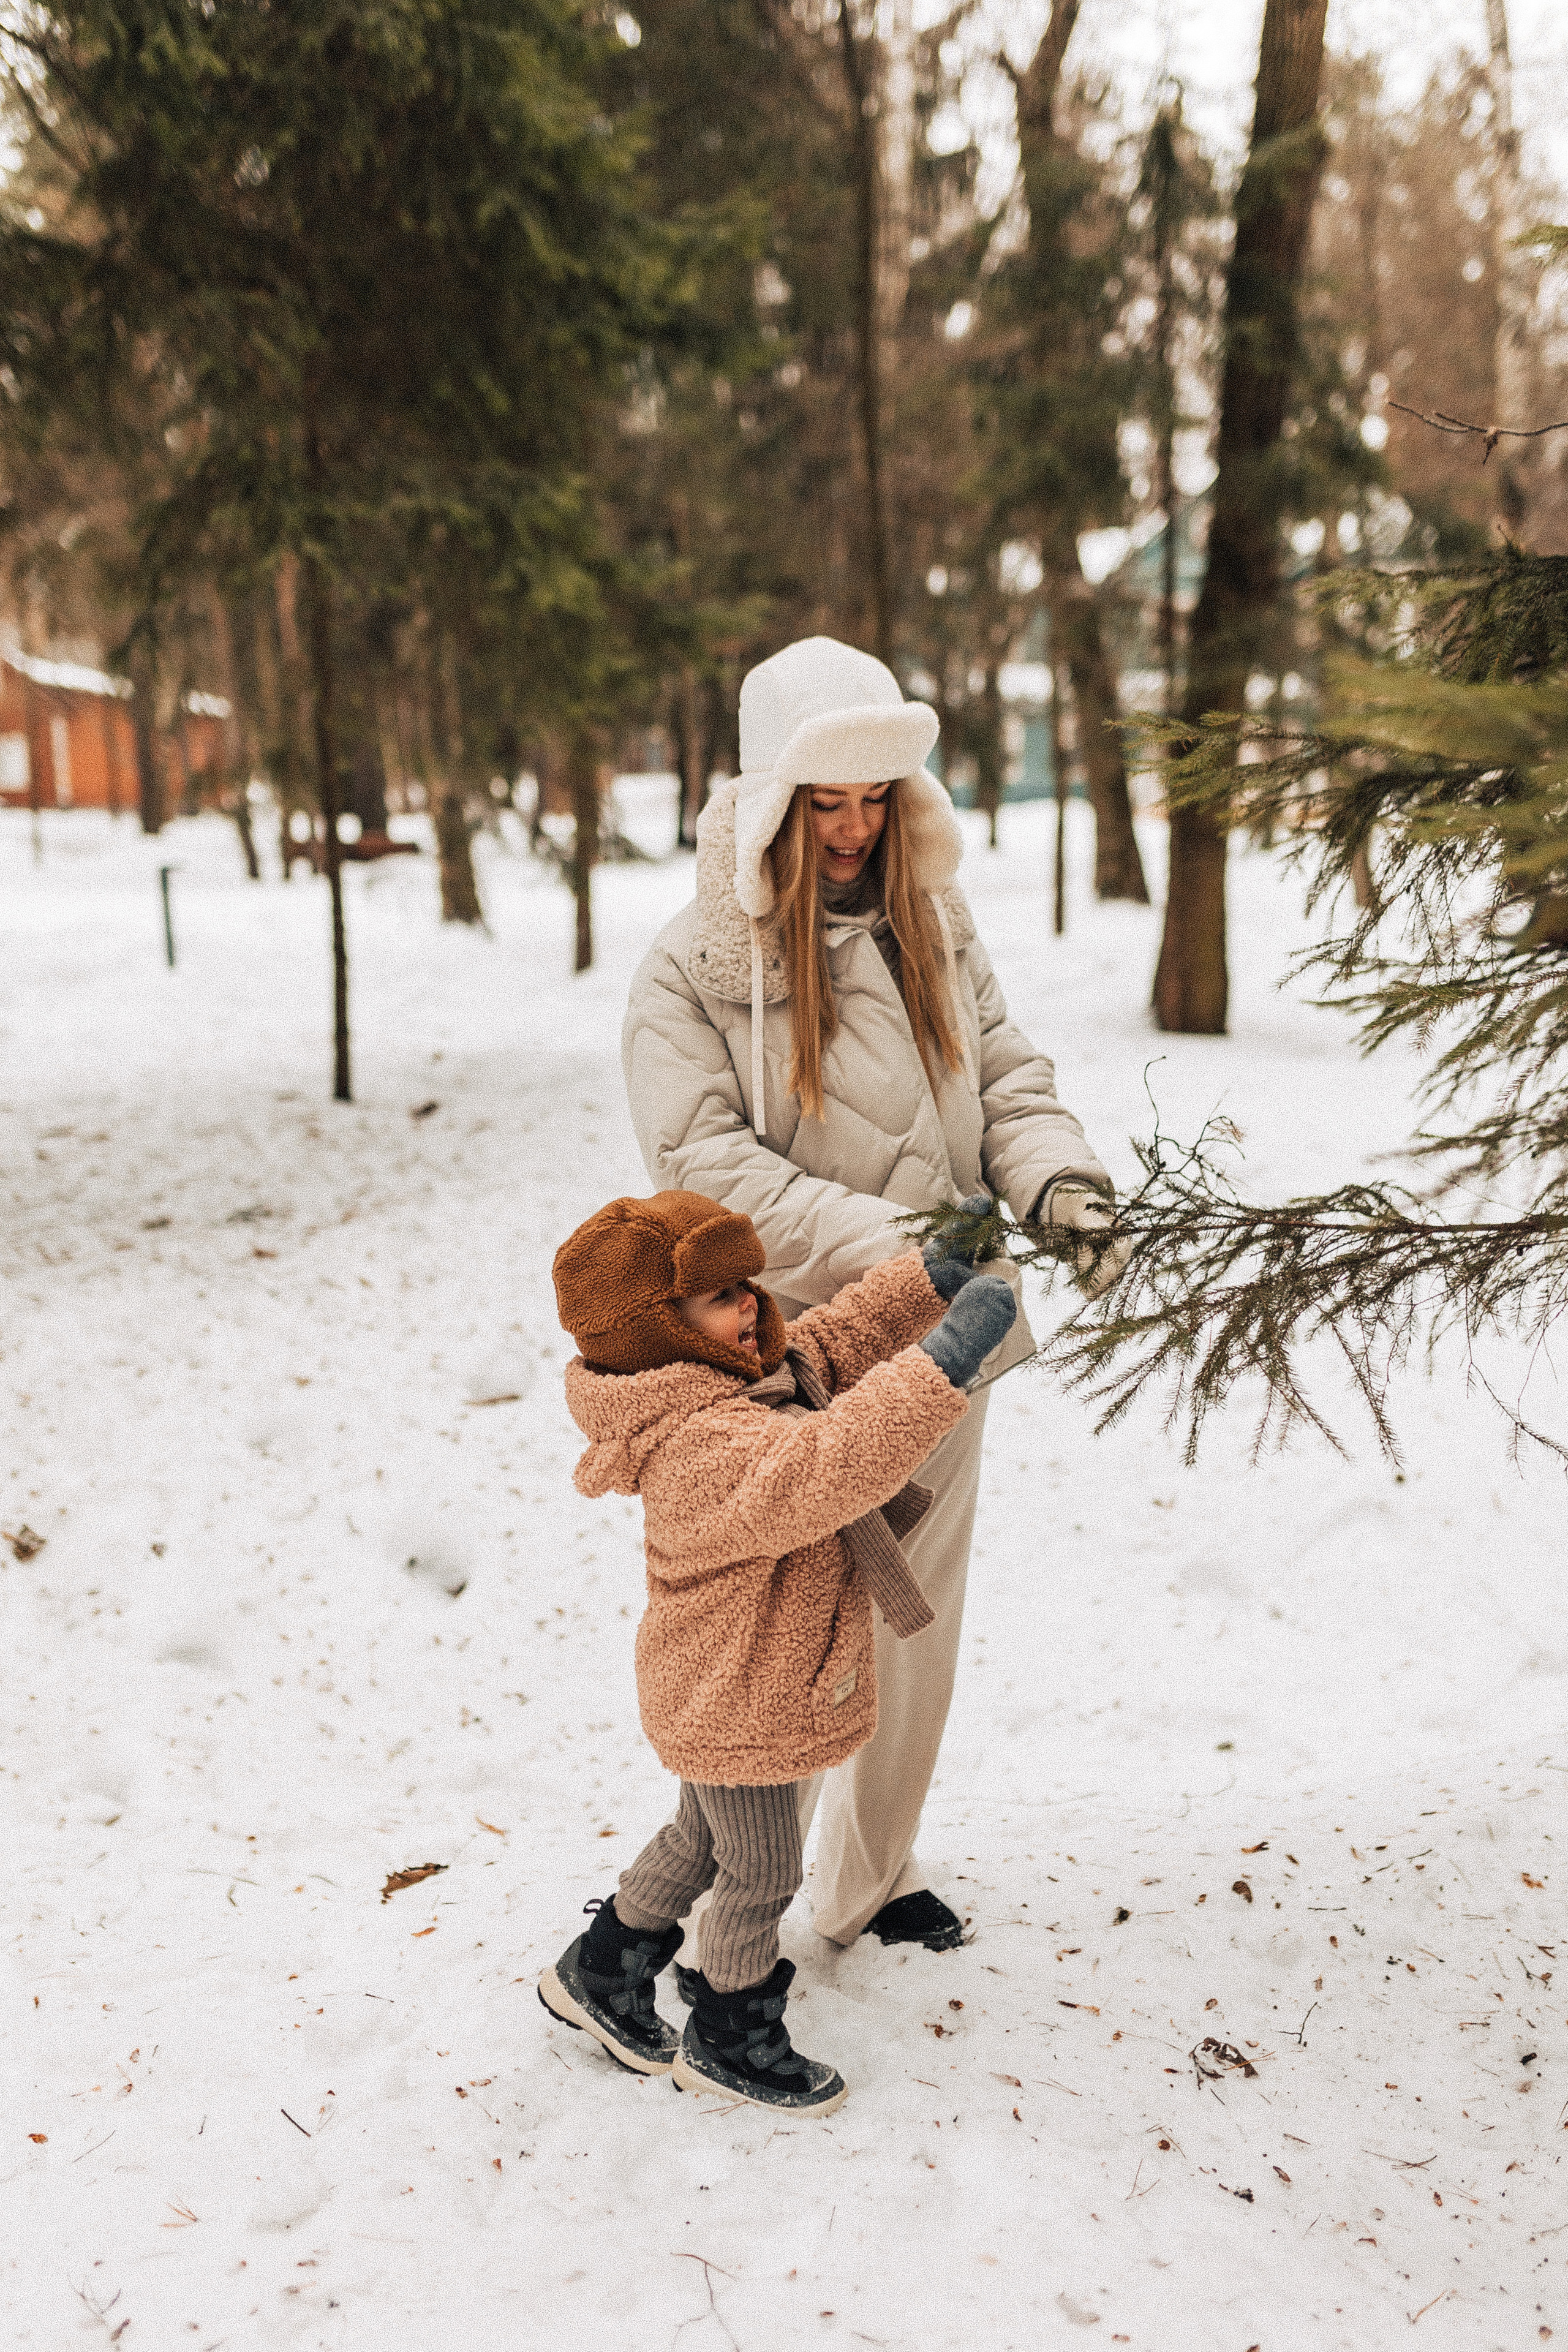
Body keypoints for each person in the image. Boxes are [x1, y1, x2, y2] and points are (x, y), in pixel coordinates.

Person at [623, 635, 1125, 1958]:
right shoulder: (695, 971)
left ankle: (869, 1876)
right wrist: (895, 1243)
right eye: (822, 801)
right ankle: (724, 1892)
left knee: (918, 1618)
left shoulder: (933, 926)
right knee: (778, 1636)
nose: (849, 830)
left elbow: (1007, 1080)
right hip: (789, 1356)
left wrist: (1059, 1181)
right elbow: (702, 1165)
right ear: (770, 801)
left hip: (949, 1341)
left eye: (872, 799)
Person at [539, 1188, 1016, 2113]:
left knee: (697, 1838)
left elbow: (832, 1339)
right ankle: (731, 2030)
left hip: (723, 1680)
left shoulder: (740, 1375)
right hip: (737, 1690)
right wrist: (942, 1365)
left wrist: (931, 1273)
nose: (753, 1305)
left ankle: (601, 1973)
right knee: (760, 1869)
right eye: (720, 1296)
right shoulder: (700, 1443)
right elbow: (826, 1466)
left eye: (748, 1284)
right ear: (658, 1332)